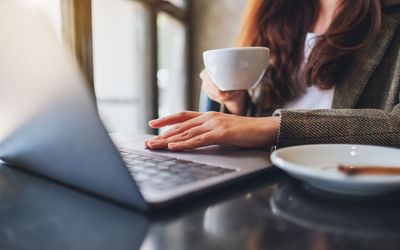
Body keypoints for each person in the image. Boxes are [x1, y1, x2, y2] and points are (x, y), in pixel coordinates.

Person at [145, 0, 400, 151]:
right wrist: (236, 101)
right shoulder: (275, 12)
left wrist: (274, 127)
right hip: (266, 177)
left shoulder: (391, 16)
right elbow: (255, 118)